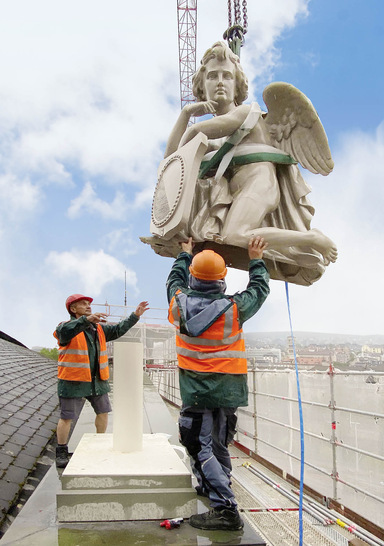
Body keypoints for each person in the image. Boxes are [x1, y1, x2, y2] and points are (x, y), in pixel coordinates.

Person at [163, 41, 337, 286]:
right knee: (231, 237)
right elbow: (171, 163)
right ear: (203, 85)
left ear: (237, 86)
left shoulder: (245, 113)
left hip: (259, 184)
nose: (220, 82)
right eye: (212, 76)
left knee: (235, 235)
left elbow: (196, 133)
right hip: (241, 190)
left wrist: (192, 123)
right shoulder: (219, 142)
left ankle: (310, 239)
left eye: (227, 76)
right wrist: (185, 114)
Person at [167, 235, 269, 531]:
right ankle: (213, 487)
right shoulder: (235, 309)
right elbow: (259, 290)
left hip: (197, 391)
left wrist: (184, 254)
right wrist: (256, 259)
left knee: (199, 446)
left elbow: (173, 280)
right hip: (228, 390)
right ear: (223, 279)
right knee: (219, 444)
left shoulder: (179, 305)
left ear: (193, 278)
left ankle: (226, 510)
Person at [53, 293, 149, 468]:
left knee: (103, 412)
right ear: (73, 309)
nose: (88, 306)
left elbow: (119, 329)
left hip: (97, 380)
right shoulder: (65, 328)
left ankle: (99, 442)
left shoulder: (98, 329)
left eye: (89, 304)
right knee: (67, 417)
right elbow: (66, 332)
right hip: (73, 380)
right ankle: (61, 451)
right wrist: (86, 320)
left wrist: (135, 316)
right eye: (83, 304)